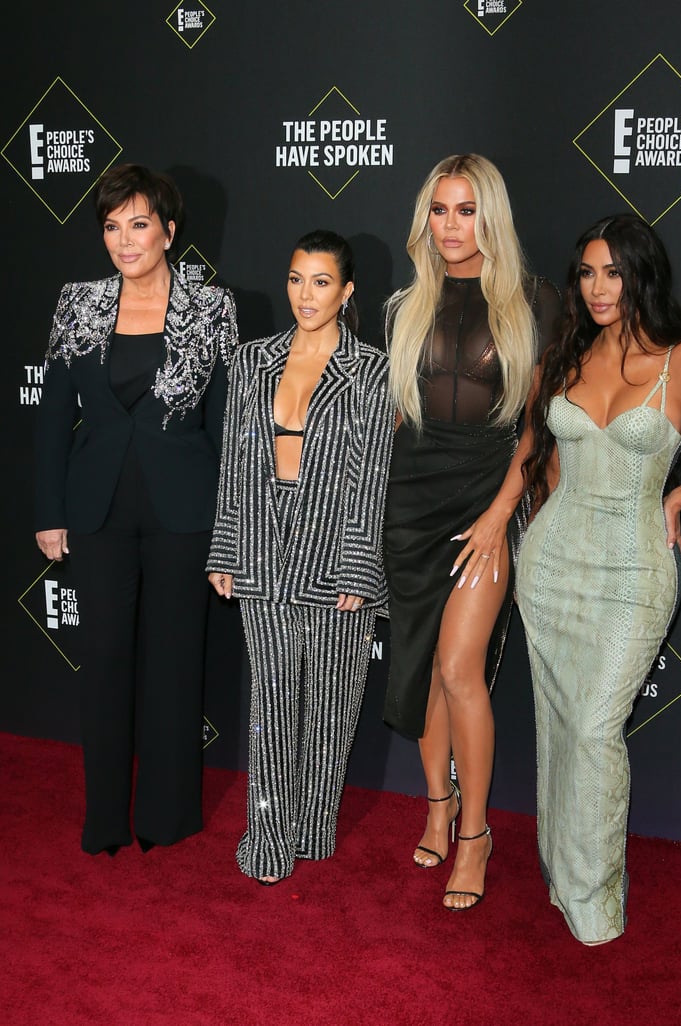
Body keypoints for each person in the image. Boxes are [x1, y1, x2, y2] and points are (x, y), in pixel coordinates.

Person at [516, 212, 681, 944]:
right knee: (557, 727)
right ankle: (561, 873)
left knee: (597, 728)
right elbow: (549, 465)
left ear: (641, 276)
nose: (599, 288)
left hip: (635, 567)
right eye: (588, 273)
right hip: (552, 567)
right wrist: (535, 528)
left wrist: (680, 495)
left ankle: (595, 900)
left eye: (614, 272)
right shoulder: (564, 358)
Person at [34, 163, 239, 856]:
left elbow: (228, 429)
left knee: (176, 664)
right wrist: (48, 510)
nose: (125, 240)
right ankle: (105, 821)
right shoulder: (77, 303)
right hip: (96, 512)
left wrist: (229, 532)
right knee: (104, 660)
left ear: (170, 230)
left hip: (184, 511)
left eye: (140, 224)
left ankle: (168, 814)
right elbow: (53, 417)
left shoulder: (211, 309)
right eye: (112, 227)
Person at [383, 154, 560, 910]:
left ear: (492, 215)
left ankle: (477, 834)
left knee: (460, 668)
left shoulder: (535, 302)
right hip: (411, 506)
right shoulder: (403, 306)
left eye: (466, 210)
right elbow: (395, 423)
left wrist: (498, 517)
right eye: (439, 209)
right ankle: (436, 804)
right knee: (425, 666)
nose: (452, 226)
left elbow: (534, 430)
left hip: (487, 501)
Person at [207, 230, 394, 885]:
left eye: (320, 282)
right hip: (262, 540)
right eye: (295, 279)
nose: (305, 295)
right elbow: (234, 459)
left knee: (335, 701)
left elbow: (370, 475)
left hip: (334, 544)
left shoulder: (372, 370)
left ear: (346, 292)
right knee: (273, 698)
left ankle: (312, 826)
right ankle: (267, 835)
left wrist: (360, 564)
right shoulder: (251, 360)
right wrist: (227, 546)